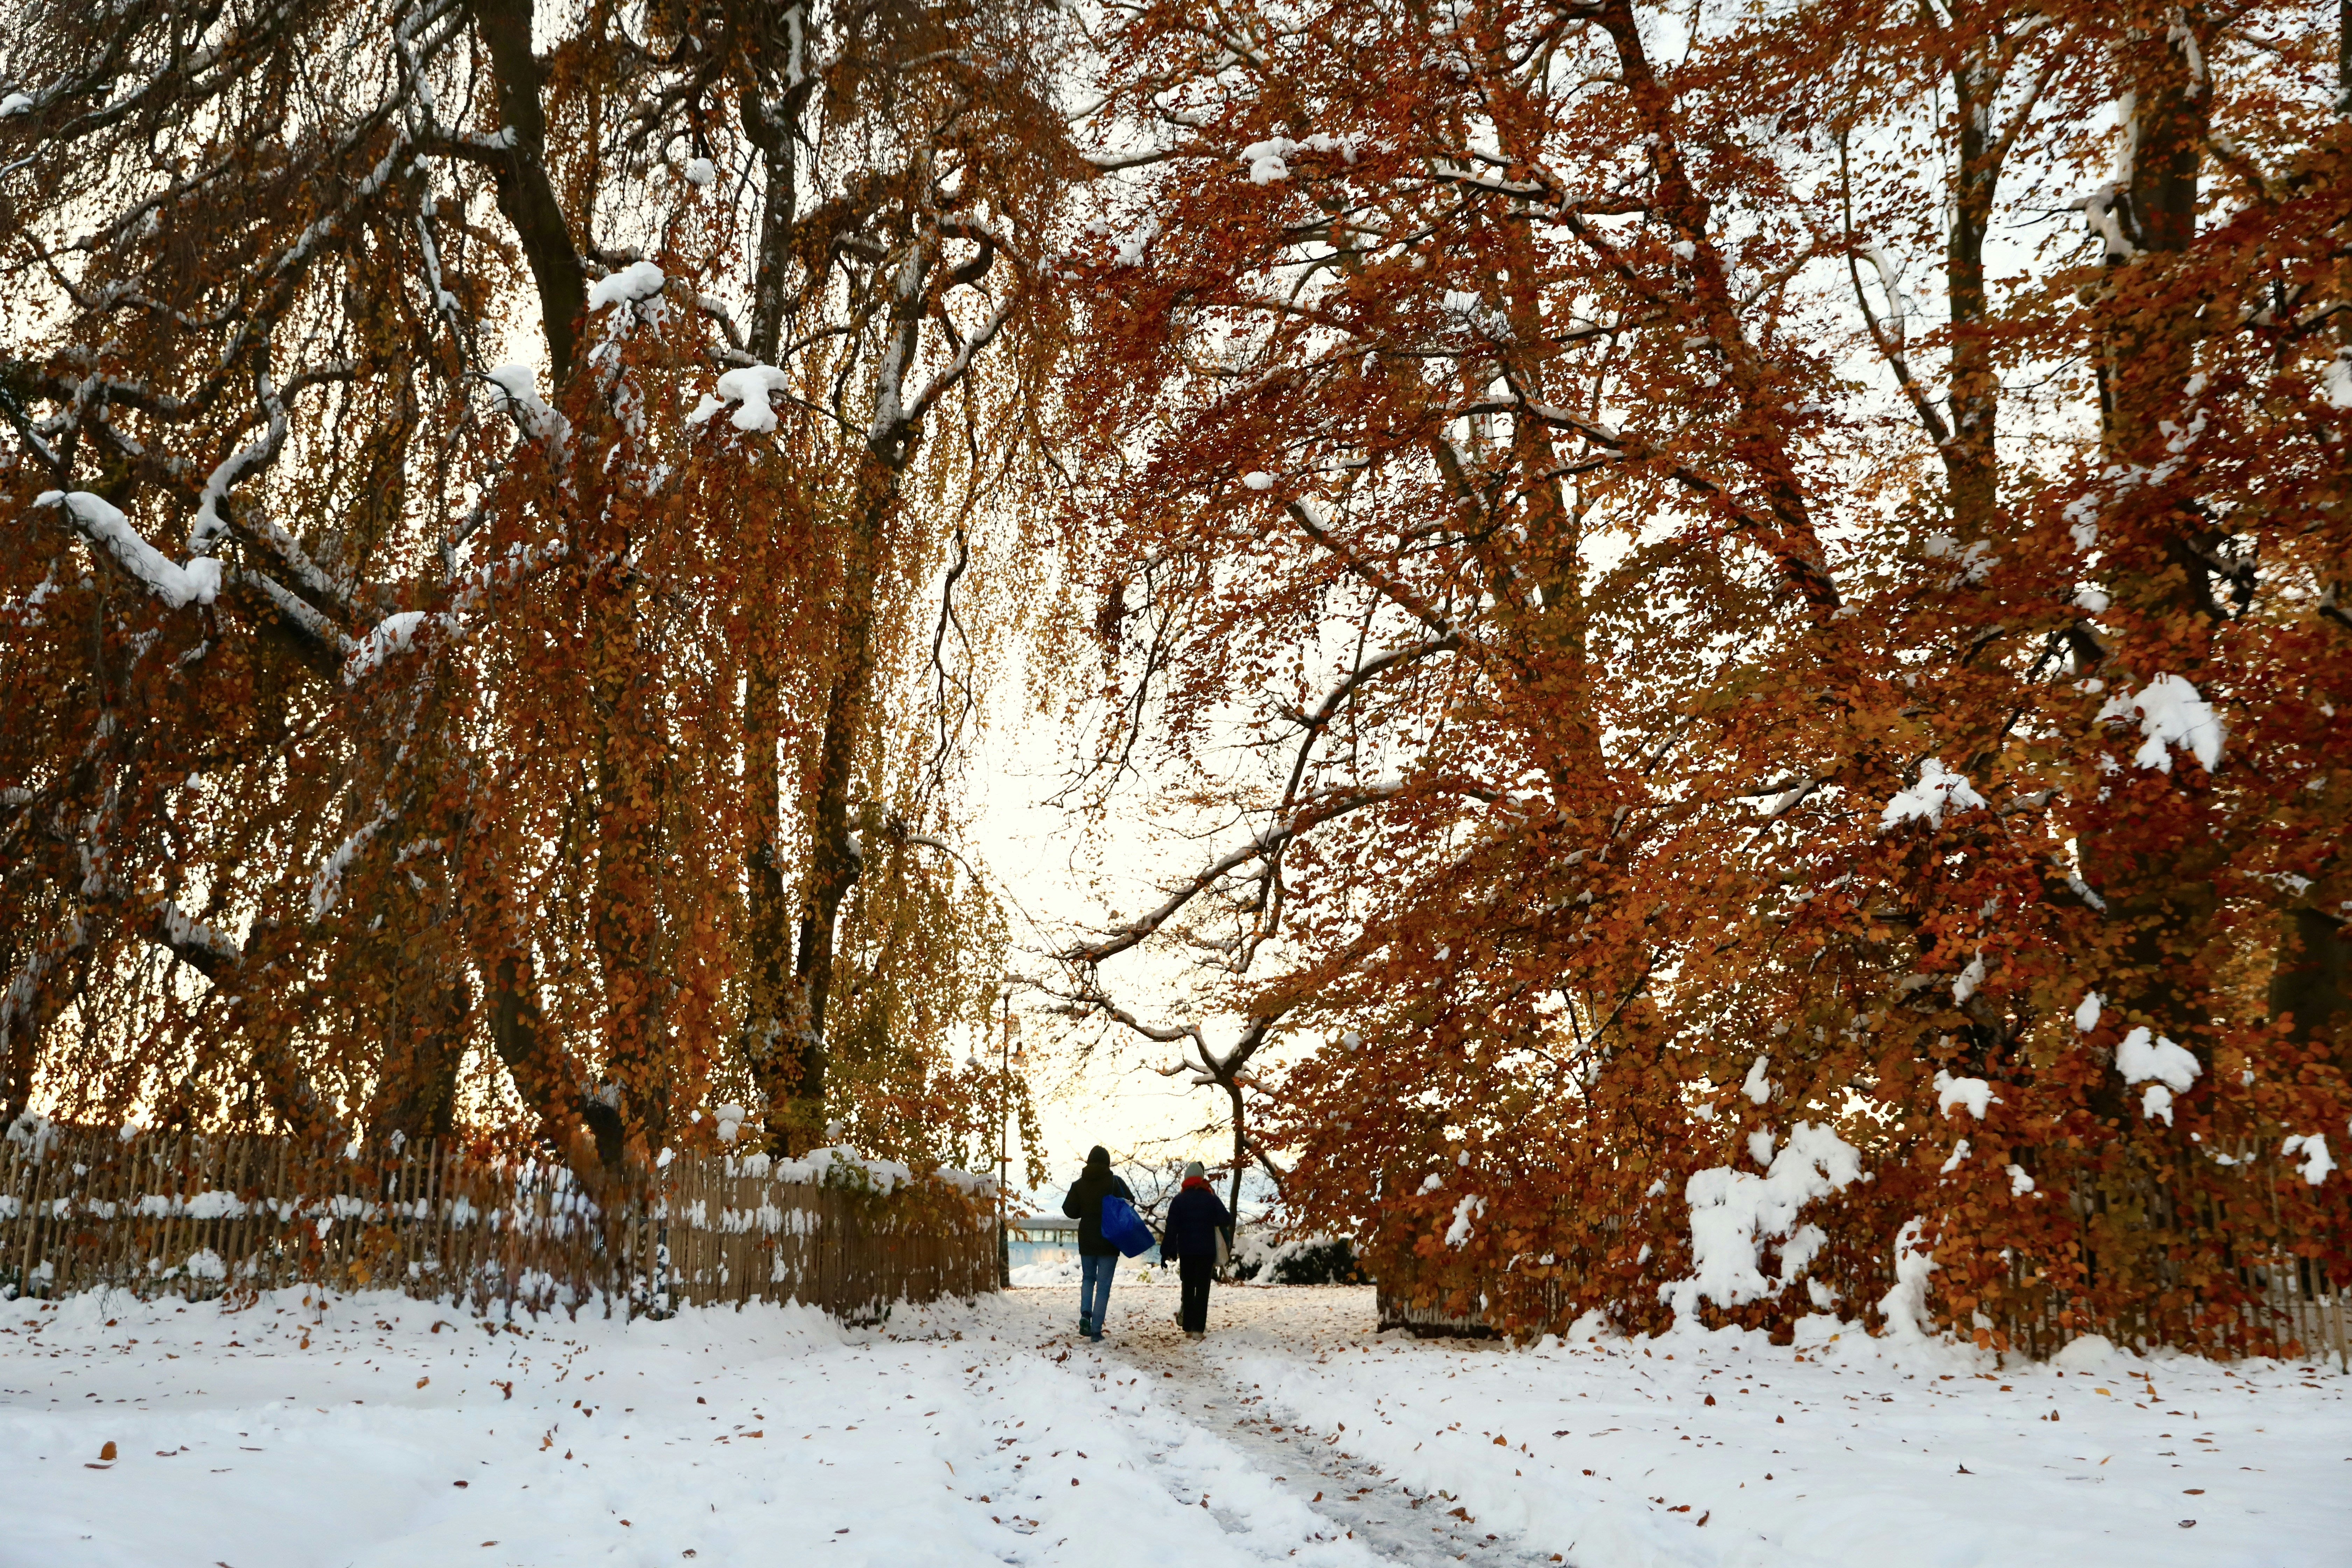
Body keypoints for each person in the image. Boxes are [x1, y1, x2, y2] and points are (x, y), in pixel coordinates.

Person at [1061, 1146, 1134, 1341]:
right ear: (1107, 1163)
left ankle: (1085, 1313)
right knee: (1103, 1286)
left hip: (1087, 1239)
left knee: (1088, 1278)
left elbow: (1069, 1210)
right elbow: (1130, 1201)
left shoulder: (1079, 1184)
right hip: (1110, 1239)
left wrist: (1085, 1210)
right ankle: (1095, 1331)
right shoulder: (1115, 1182)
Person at [1158, 1161, 1233, 1340]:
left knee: (1189, 1286)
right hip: (1206, 1252)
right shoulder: (1211, 1199)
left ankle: (1189, 1327)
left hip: (1187, 1252)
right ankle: (1199, 1329)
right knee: (1202, 1289)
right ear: (1202, 1179)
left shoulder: (1179, 1201)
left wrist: (1165, 1252)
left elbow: (1171, 1229)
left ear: (1186, 1179)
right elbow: (1226, 1219)